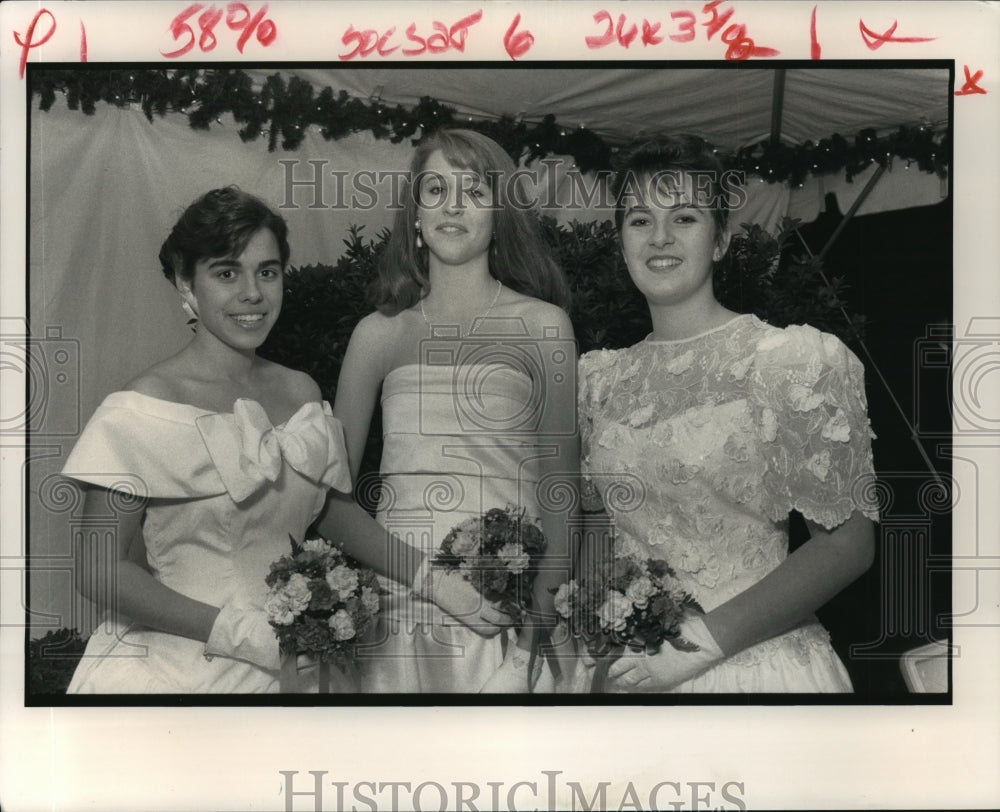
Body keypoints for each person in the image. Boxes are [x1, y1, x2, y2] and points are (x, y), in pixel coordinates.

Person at [63, 186, 510, 694]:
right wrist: (246, 636)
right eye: (227, 272)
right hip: (178, 663)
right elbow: (98, 572)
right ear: (187, 283)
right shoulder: (142, 406)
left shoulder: (299, 391)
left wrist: (435, 581)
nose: (253, 293)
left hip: (301, 662)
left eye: (268, 271)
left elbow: (331, 512)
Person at [575, 135, 879, 693]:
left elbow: (848, 545)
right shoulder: (595, 381)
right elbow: (601, 532)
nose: (660, 237)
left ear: (721, 241)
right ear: (620, 242)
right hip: (628, 677)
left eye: (684, 217)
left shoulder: (790, 361)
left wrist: (698, 648)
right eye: (640, 220)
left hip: (756, 670)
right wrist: (597, 637)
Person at [334, 129, 578, 693]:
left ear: (500, 213)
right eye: (436, 189)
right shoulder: (376, 336)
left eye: (473, 190)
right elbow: (332, 505)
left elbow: (560, 495)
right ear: (414, 215)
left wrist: (533, 629)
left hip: (506, 623)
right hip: (397, 619)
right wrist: (430, 581)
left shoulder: (544, 327)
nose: (452, 205)